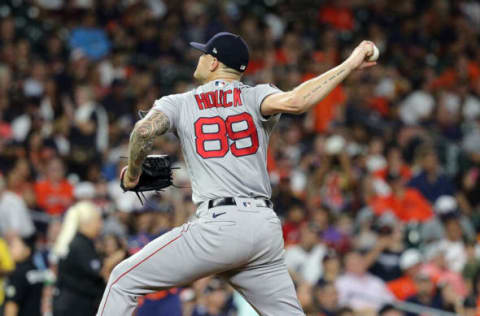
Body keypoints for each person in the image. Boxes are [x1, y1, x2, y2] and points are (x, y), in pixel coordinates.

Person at [97, 32, 377, 315]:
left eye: (204, 53)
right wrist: (350, 63)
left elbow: (143, 131)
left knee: (123, 280)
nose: (199, 58)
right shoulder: (256, 95)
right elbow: (297, 101)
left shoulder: (179, 102)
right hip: (263, 229)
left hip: (219, 227)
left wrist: (133, 174)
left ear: (214, 63)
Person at [52, 201, 106, 316]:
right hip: (76, 306)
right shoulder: (80, 244)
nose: (100, 225)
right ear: (87, 223)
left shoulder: (74, 241)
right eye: (98, 221)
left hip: (67, 303)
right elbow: (100, 272)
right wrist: (118, 258)